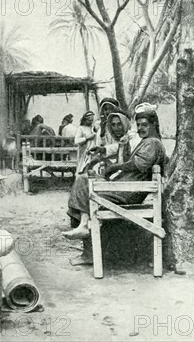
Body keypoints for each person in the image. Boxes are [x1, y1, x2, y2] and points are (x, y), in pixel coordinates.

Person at [63, 110, 167, 265]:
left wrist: (114, 168)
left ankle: (86, 239)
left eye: (144, 125)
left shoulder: (153, 143)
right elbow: (128, 162)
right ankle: (84, 226)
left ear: (154, 125)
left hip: (129, 192)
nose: (140, 128)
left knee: (83, 183)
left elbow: (137, 164)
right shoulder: (147, 142)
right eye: (138, 125)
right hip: (126, 187)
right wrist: (110, 165)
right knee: (82, 181)